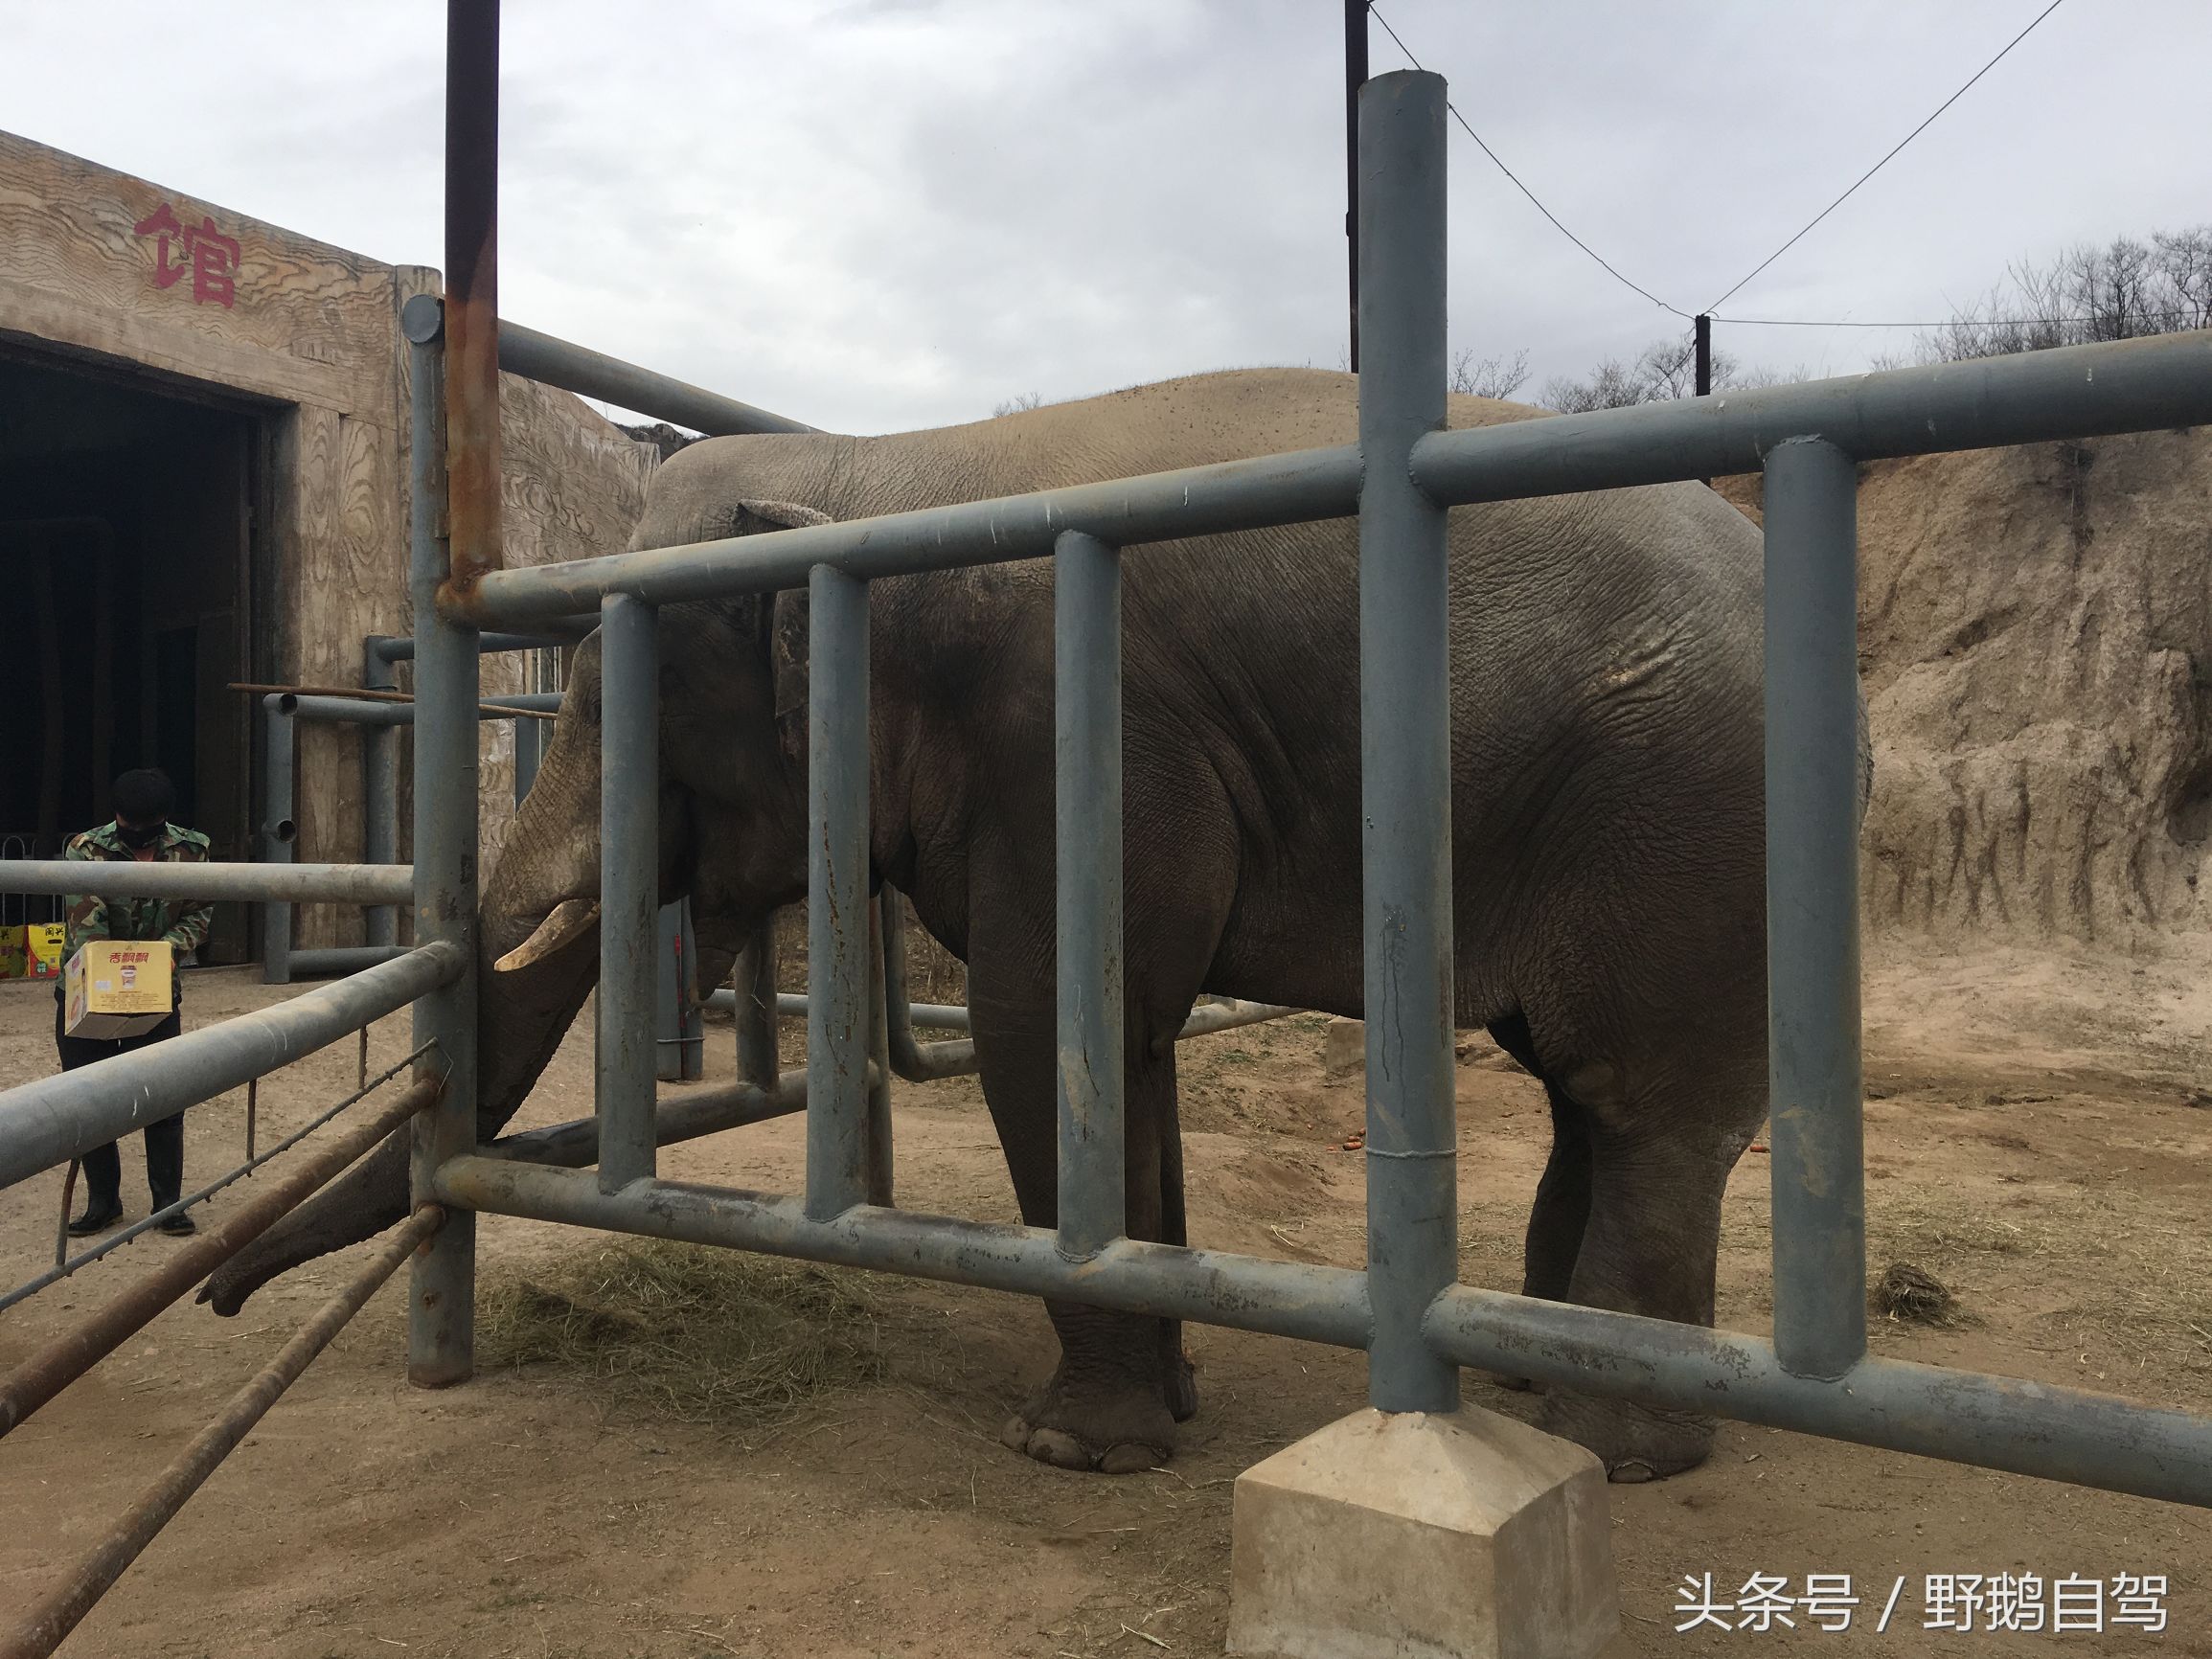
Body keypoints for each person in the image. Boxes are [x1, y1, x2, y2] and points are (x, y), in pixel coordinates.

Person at [57, 768, 214, 1237]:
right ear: (117, 815)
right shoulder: (86, 849)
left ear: (164, 818)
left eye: (148, 827)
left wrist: (161, 955)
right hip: (88, 990)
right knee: (91, 1097)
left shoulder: (193, 850)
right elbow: (87, 926)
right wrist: (122, 974)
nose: (139, 835)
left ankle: (168, 1205)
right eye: (131, 826)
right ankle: (103, 1202)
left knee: (163, 1096)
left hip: (157, 989)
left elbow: (198, 914)